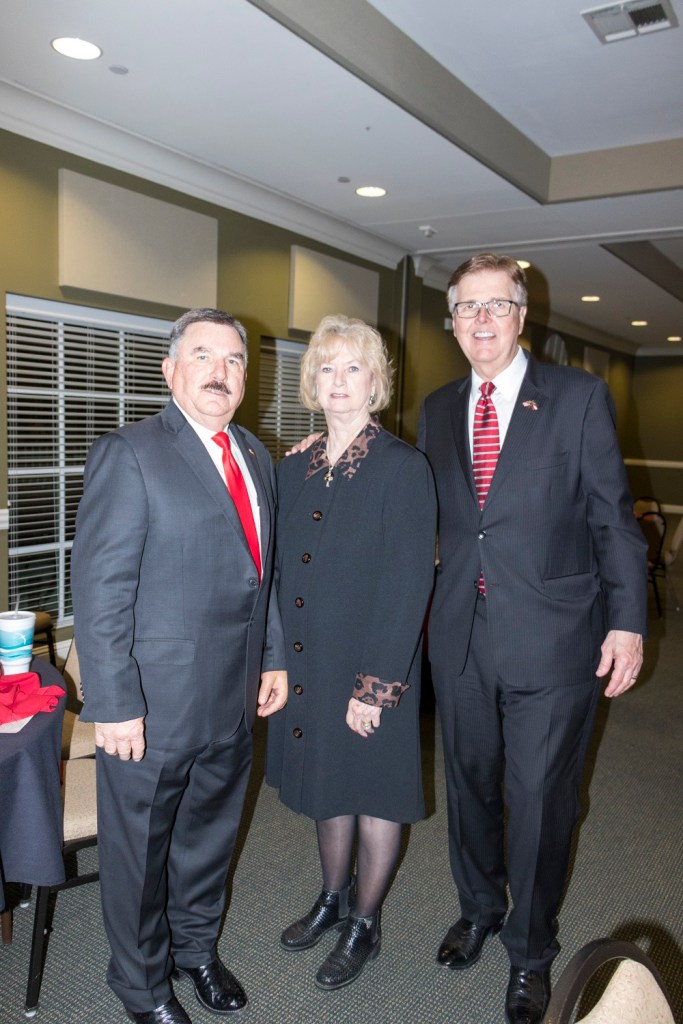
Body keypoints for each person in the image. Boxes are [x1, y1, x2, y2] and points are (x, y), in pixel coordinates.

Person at [418, 254, 648, 1024]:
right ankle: (479, 907)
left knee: (541, 801)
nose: (481, 320)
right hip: (460, 636)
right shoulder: (437, 406)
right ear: (451, 321)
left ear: (522, 316)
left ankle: (529, 950)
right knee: (470, 789)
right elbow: (430, 513)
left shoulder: (578, 398)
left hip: (556, 639)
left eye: (496, 305)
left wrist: (626, 622)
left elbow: (612, 519)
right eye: (466, 308)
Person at [71, 308, 287, 1024]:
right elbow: (100, 590)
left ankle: (194, 951)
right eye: (203, 356)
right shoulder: (130, 452)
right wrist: (113, 700)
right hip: (151, 706)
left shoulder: (255, 454)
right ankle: (140, 986)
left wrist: (273, 656)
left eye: (232, 359)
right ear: (171, 371)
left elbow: (265, 572)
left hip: (231, 698)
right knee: (139, 856)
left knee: (207, 839)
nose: (220, 371)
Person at [266, 314, 437, 990]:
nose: (337, 381)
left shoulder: (402, 467)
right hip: (310, 658)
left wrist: (375, 688)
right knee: (327, 782)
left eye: (352, 368)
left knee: (373, 794)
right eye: (325, 368)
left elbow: (406, 583)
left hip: (370, 662)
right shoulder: (294, 465)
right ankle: (331, 895)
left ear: (375, 383)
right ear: (312, 382)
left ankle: (364, 919)